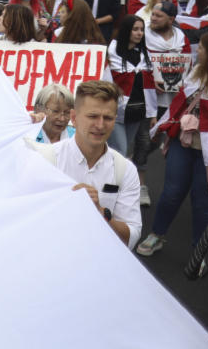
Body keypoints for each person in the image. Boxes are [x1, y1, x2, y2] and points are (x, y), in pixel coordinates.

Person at [32, 80, 141, 248]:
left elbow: (131, 238)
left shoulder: (125, 170)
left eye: (108, 118)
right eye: (93, 116)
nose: (100, 125)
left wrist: (101, 213)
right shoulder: (45, 159)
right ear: (74, 118)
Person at [140, 31, 208, 255]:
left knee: (203, 201)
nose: (198, 50)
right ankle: (156, 234)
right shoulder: (196, 72)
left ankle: (200, 250)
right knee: (172, 192)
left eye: (202, 47)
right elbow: (179, 104)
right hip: (183, 143)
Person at [106, 15, 157, 205]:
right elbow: (106, 83)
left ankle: (115, 188)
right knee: (120, 151)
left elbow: (149, 86)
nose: (139, 33)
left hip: (137, 112)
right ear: (127, 30)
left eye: (141, 29)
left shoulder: (144, 54)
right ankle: (114, 191)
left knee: (122, 151)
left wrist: (151, 114)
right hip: (116, 113)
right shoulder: (110, 52)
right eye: (135, 29)